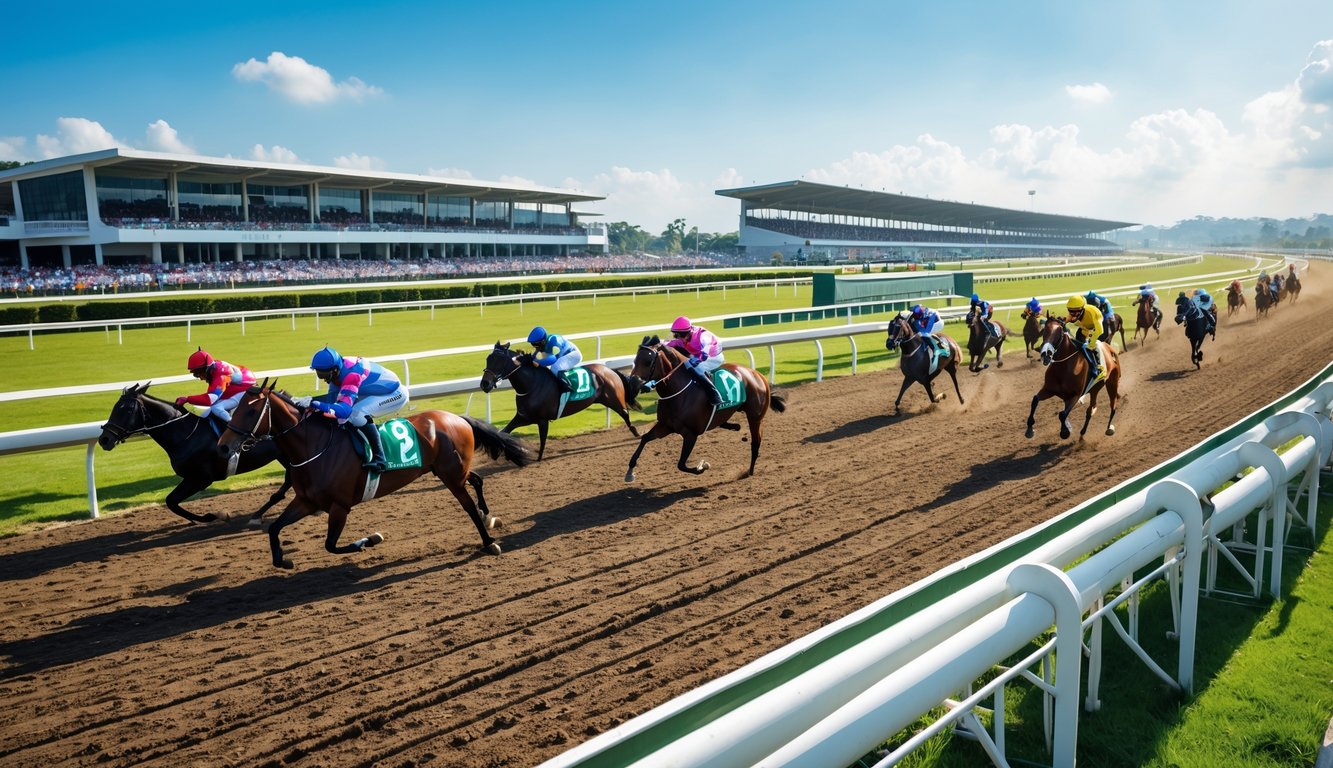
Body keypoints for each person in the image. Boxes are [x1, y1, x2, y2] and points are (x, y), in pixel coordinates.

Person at [296, 346, 408, 472]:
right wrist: (304, 402)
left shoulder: (351, 375)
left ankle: (380, 459)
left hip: (394, 394)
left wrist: (314, 403)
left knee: (357, 413)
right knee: (340, 415)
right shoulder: (337, 372)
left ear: (335, 369)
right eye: (319, 374)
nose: (324, 379)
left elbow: (344, 411)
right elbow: (331, 403)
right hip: (372, 391)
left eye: (325, 374)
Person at [176, 347, 255, 422]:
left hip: (246, 390)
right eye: (195, 375)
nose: (199, 378)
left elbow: (210, 399)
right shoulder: (214, 368)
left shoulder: (221, 376)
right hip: (239, 384)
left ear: (206, 369)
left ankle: (232, 427)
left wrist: (187, 399)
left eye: (198, 374)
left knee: (216, 408)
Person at [663, 316, 724, 407]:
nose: (679, 338)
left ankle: (715, 395)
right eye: (676, 335)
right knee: (684, 364)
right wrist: (656, 345)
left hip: (713, 358)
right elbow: (669, 344)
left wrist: (696, 360)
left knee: (692, 366)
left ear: (688, 332)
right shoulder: (683, 337)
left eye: (681, 335)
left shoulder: (702, 336)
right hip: (699, 355)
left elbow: (704, 354)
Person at [527, 326, 582, 393]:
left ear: (543, 341)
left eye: (537, 344)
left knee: (555, 367)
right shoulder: (543, 343)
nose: (536, 347)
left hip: (573, 355)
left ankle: (566, 385)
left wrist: (535, 361)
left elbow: (552, 360)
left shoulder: (553, 341)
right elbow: (536, 356)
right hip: (564, 353)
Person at [1065, 295, 1105, 380]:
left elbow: (1100, 331)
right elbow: (1064, 321)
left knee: (1095, 346)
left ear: (1082, 309)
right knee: (1077, 347)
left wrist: (1091, 344)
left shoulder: (1092, 312)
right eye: (1070, 311)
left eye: (1075, 312)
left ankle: (1100, 368)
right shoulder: (1074, 312)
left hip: (1095, 329)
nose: (1072, 314)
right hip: (1084, 329)